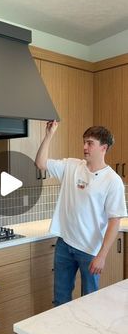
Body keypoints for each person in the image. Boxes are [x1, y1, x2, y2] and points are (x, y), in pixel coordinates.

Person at [35, 121, 127, 307]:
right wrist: (49, 134)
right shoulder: (72, 166)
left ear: (104, 147)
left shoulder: (112, 180)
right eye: (84, 142)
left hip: (90, 251)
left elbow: (114, 221)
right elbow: (40, 163)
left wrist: (101, 255)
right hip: (65, 244)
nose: (84, 147)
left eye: (90, 143)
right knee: (60, 300)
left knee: (89, 302)